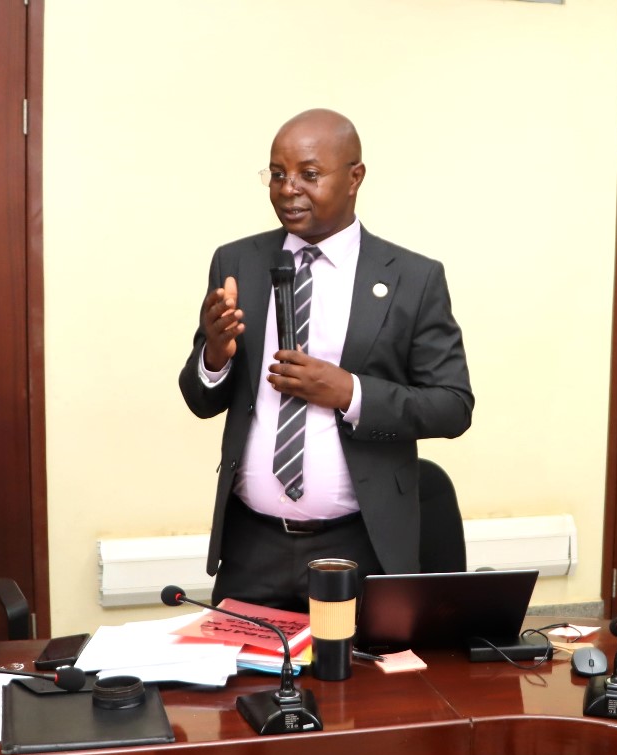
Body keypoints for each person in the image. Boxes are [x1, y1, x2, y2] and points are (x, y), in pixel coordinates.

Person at [179, 109, 473, 612]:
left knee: (357, 688)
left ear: (355, 177)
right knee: (243, 688)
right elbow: (201, 400)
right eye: (277, 174)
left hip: (360, 546)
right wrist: (214, 354)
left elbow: (453, 406)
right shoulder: (237, 262)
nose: (288, 188)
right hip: (251, 545)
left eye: (309, 175)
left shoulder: (413, 277)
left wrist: (351, 393)